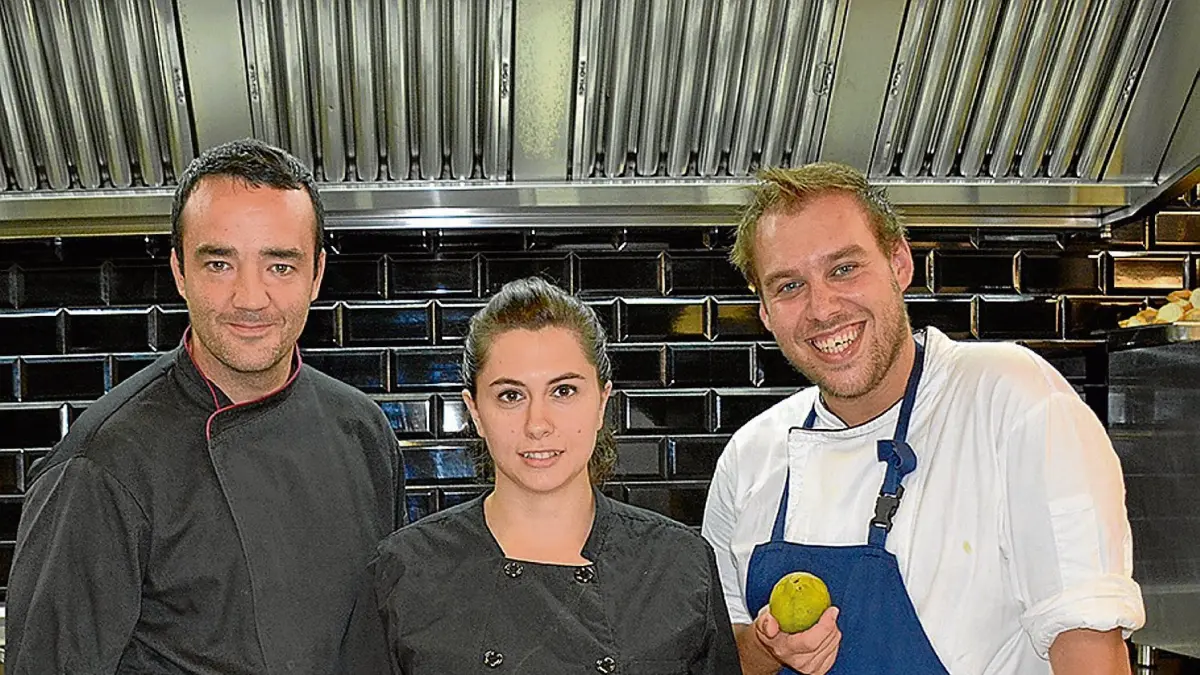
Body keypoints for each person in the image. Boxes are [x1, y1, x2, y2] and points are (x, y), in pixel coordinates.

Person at [701, 163, 1145, 675]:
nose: (821, 309)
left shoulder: (1013, 399)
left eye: (844, 269)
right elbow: (719, 653)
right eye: (789, 286)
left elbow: (1088, 646)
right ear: (764, 311)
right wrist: (770, 645)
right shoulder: (750, 457)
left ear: (899, 263)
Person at [5, 139, 405, 673]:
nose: (250, 298)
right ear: (179, 272)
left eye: (280, 266)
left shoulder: (362, 431)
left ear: (316, 275)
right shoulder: (101, 465)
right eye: (219, 263)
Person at [373, 277, 741, 674]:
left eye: (563, 391)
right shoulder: (408, 569)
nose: (537, 424)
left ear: (602, 402)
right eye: (511, 395)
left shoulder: (679, 563)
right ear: (475, 411)